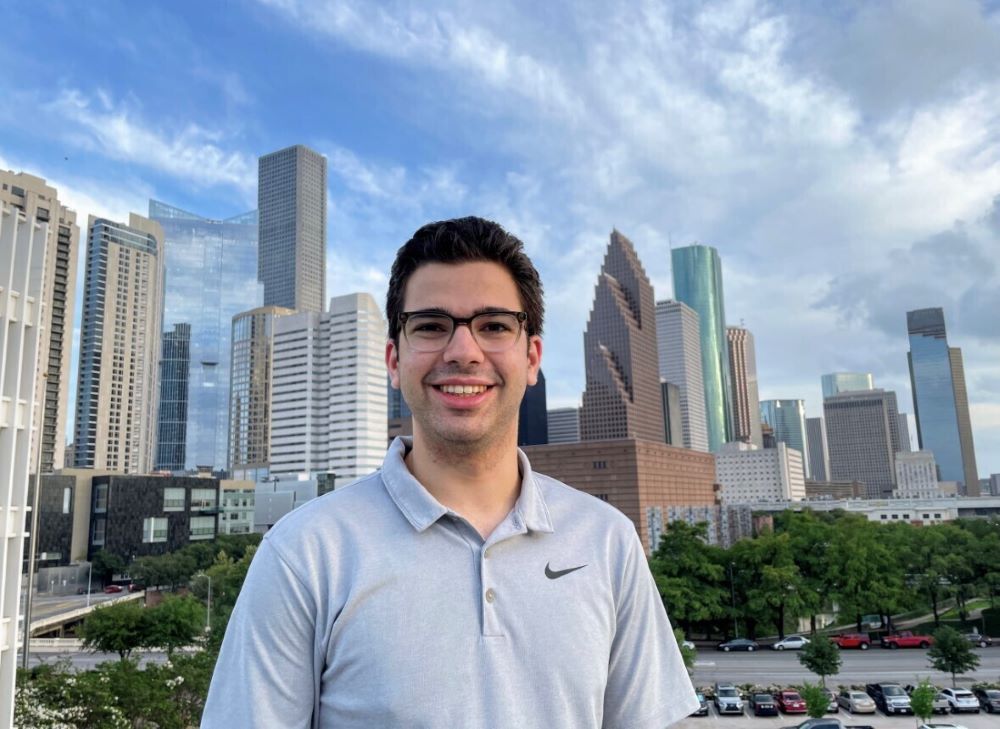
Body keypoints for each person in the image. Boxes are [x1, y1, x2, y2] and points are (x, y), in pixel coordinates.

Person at [201, 216, 696, 728]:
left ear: (532, 357)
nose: (463, 351)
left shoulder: (607, 542)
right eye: (432, 326)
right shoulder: (303, 554)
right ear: (394, 360)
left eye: (495, 326)